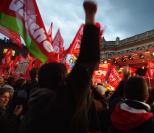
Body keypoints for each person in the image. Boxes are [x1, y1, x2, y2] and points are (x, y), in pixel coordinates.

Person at [19, 1, 100, 133]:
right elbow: (87, 61)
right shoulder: (63, 103)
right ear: (62, 80)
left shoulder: (33, 105)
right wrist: (90, 17)